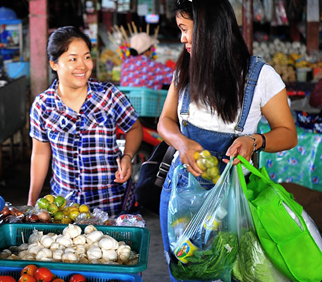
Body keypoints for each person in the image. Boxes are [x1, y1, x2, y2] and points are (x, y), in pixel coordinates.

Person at [157, 0, 297, 281]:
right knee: (183, 271)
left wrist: (254, 141)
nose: (182, 38)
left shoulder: (259, 77)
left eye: (186, 29)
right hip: (180, 193)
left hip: (231, 200)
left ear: (208, 30)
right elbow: (165, 122)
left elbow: (287, 133)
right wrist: (182, 144)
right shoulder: (185, 70)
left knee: (225, 272)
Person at [27, 26, 143, 216]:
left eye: (87, 57)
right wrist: (32, 202)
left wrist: (127, 156)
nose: (82, 65)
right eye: (73, 59)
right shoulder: (42, 105)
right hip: (64, 208)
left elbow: (134, 127)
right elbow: (40, 154)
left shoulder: (109, 95)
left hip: (109, 205)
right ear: (54, 64)